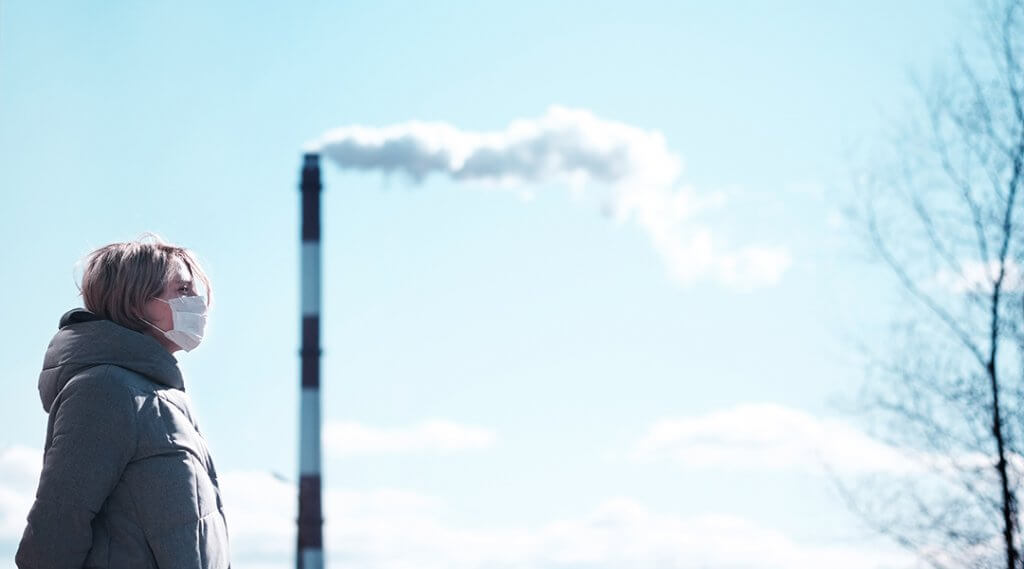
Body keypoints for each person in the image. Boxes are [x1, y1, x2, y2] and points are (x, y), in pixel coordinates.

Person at [16, 237, 230, 569]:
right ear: (135, 303)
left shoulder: (167, 398)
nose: (196, 301)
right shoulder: (105, 389)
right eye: (182, 290)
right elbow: (53, 535)